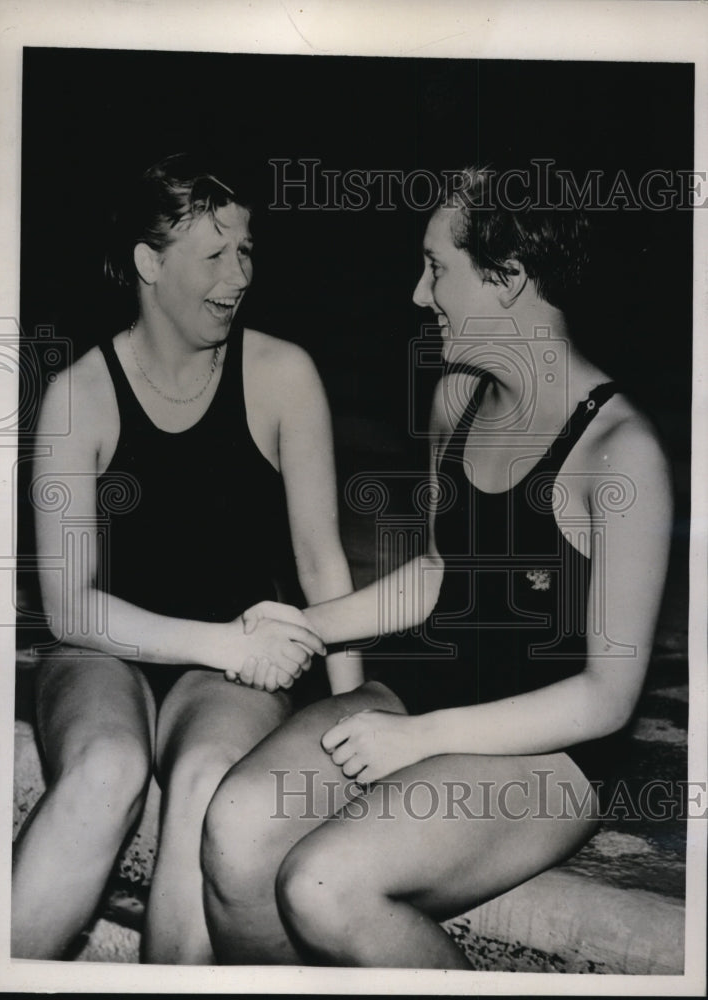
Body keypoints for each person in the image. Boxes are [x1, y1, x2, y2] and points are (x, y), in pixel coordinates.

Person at [199, 164, 673, 968]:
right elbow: (443, 569)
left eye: (436, 267)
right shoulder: (456, 395)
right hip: (432, 684)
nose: (419, 296)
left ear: (509, 278)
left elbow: (606, 697)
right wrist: (306, 626)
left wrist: (418, 740)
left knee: (325, 885)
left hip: (550, 747)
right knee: (234, 825)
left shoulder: (619, 454)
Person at [11, 152, 368, 964]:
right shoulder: (79, 394)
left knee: (209, 776)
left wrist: (354, 721)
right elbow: (69, 605)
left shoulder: (282, 375)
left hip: (230, 672)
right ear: (148, 263)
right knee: (105, 768)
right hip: (104, 649)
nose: (238, 274)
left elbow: (321, 567)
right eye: (213, 254)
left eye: (246, 250)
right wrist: (227, 642)